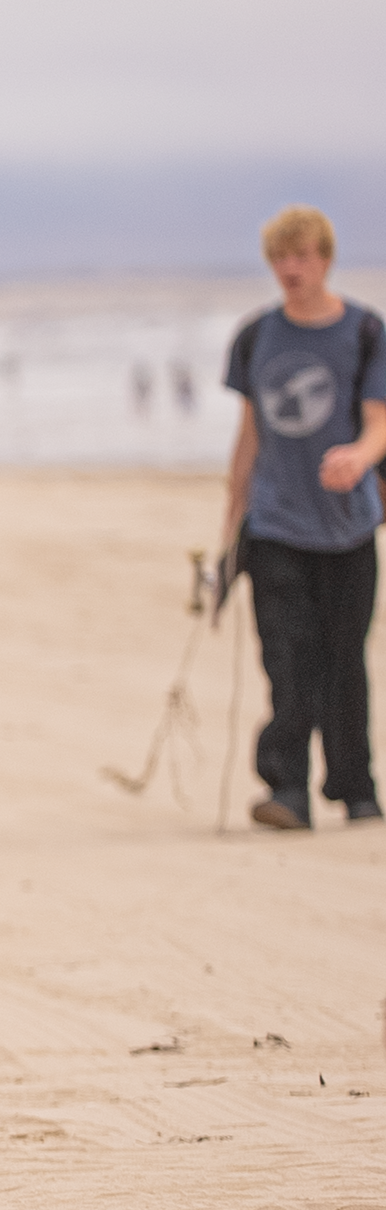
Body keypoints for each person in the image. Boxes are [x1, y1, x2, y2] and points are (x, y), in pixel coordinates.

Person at [212, 205, 386, 830]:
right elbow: (249, 435)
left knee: (345, 660)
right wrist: (232, 526)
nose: (290, 268)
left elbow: (379, 423)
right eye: (280, 258)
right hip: (275, 524)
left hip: (348, 526)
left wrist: (359, 457)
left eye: (302, 256)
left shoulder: (365, 332)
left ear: (325, 258)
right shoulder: (257, 336)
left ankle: (354, 788)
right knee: (287, 657)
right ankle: (287, 789)